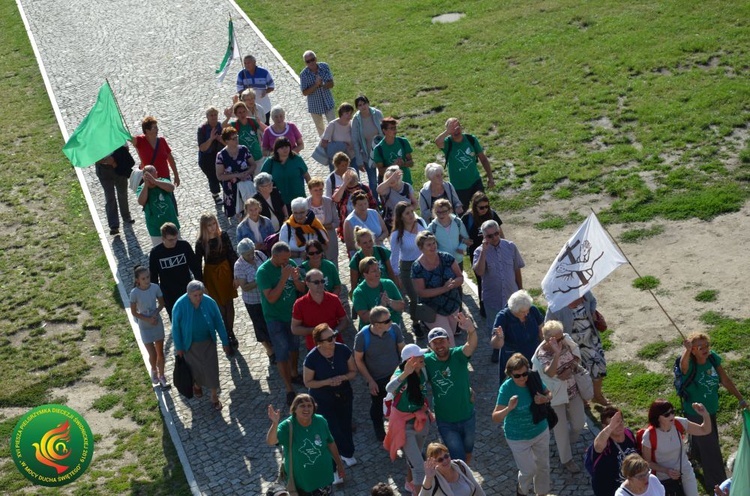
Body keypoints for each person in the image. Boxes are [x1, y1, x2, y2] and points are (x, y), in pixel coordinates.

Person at [679, 331, 747, 492]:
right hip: (696, 413)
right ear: (693, 350)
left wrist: (740, 398)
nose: (705, 349)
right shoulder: (689, 363)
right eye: (700, 346)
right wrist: (686, 351)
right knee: (711, 449)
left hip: (710, 409)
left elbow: (724, 379)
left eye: (707, 345)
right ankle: (718, 485)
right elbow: (683, 366)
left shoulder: (712, 358)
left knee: (704, 441)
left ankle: (693, 453)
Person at [492, 353, 552, 496]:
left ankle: (542, 493)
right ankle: (522, 490)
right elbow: (495, 417)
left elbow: (549, 393)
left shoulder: (533, 379)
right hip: (517, 436)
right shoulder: (506, 388)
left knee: (543, 466)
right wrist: (509, 408)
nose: (522, 378)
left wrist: (545, 399)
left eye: (524, 374)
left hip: (540, 430)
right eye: (517, 376)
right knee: (528, 470)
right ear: (510, 374)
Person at [256, 242, 306, 406]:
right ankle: (288, 388)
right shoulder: (263, 272)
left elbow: (301, 289)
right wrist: (284, 278)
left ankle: (294, 373)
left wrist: (297, 279)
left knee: (294, 347)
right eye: (284, 258)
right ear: (274, 256)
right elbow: (271, 297)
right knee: (281, 352)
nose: (287, 261)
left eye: (288, 258)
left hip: (292, 315)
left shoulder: (289, 264)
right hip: (274, 317)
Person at [424, 314, 478, 464]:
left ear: (449, 341)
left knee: (468, 451)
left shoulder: (458, 355)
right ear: (430, 346)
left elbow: (471, 346)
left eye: (442, 341)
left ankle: (464, 476)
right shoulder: (426, 361)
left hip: (467, 415)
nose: (440, 345)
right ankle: (462, 480)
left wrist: (471, 330)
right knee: (457, 456)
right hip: (445, 420)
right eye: (435, 343)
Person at [532, 320, 585, 473]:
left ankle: (567, 444)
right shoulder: (541, 355)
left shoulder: (565, 340)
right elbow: (550, 372)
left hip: (573, 390)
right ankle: (567, 459)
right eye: (558, 338)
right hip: (556, 397)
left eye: (561, 337)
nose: (562, 340)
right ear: (549, 340)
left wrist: (571, 367)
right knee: (560, 430)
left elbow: (576, 354)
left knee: (579, 424)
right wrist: (556, 353)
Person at [303, 324, 358, 467]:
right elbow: (308, 382)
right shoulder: (312, 358)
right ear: (319, 342)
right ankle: (336, 455)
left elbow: (353, 371)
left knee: (345, 423)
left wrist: (342, 378)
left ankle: (347, 452)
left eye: (333, 335)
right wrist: (327, 382)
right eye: (328, 339)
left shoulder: (343, 349)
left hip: (343, 393)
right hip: (322, 398)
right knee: (332, 427)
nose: (333, 340)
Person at [267, 394, 346, 493]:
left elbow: (330, 442)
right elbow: (271, 441)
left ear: (314, 408)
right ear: (294, 409)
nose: (306, 409)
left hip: (324, 477)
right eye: (302, 406)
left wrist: (339, 464)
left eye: (309, 405)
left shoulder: (320, 421)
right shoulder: (287, 426)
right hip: (301, 482)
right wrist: (275, 424)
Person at [172, 281, 231, 410]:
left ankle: (214, 396)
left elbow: (218, 322)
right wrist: (179, 347)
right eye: (195, 295)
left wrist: (225, 341)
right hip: (190, 344)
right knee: (195, 369)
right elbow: (175, 328)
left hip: (208, 342)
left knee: (212, 369)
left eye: (200, 295)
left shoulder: (210, 302)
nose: (198, 298)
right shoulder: (180, 305)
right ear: (188, 295)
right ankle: (197, 385)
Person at [384, 344, 433, 496]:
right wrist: (405, 374)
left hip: (421, 421)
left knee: (415, 456)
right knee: (419, 467)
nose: (423, 358)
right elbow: (389, 388)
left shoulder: (423, 369)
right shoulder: (401, 374)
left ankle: (408, 482)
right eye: (419, 357)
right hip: (404, 426)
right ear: (410, 361)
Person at [545, 291, 610, 405]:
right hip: (572, 345)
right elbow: (548, 324)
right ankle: (583, 399)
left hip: (590, 338)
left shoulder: (583, 291)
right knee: (577, 372)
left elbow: (592, 301)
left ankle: (597, 395)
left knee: (599, 366)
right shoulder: (556, 304)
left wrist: (593, 312)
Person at [353, 305, 405, 441]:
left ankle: (401, 429)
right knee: (377, 405)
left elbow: (402, 349)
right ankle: (379, 429)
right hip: (377, 378)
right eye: (387, 321)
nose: (391, 322)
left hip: (396, 376)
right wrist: (370, 380)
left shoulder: (394, 329)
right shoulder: (362, 337)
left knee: (400, 403)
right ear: (377, 324)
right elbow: (358, 360)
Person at [641, 399, 712, 496]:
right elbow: (647, 463)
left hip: (685, 472)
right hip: (664, 479)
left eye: (672, 412)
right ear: (658, 418)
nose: (671, 416)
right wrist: (666, 471)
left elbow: (705, 430)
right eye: (667, 415)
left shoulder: (679, 423)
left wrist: (705, 415)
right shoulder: (649, 435)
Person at [195, 213, 239, 351]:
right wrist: (201, 285)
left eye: (214, 224)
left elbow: (231, 254)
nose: (213, 227)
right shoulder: (201, 243)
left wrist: (236, 275)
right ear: (204, 227)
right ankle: (225, 333)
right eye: (209, 225)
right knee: (219, 306)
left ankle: (230, 332)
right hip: (211, 275)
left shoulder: (223, 236)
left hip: (225, 272)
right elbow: (197, 265)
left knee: (229, 304)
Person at [412, 231, 464, 346]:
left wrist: (453, 283)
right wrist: (444, 289)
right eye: (429, 245)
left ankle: (439, 358)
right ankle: (454, 362)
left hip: (452, 304)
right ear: (421, 248)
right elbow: (421, 292)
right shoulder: (417, 267)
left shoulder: (447, 258)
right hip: (433, 309)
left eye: (434, 243)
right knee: (448, 337)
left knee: (451, 333)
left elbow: (460, 277)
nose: (433, 246)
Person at [473, 218, 524, 329]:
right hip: (493, 300)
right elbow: (479, 271)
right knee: (496, 330)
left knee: (515, 328)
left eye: (496, 234)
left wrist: (520, 290)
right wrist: (484, 251)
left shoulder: (510, 246)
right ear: (484, 236)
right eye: (490, 236)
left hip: (512, 297)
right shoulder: (478, 252)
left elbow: (516, 269)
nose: (494, 238)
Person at [389, 201, 429, 337]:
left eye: (412, 211)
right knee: (414, 296)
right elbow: (393, 257)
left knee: (426, 294)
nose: (411, 215)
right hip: (408, 268)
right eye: (407, 213)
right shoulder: (397, 235)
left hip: (425, 264)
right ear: (400, 217)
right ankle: (416, 322)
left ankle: (426, 319)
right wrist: (397, 275)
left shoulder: (421, 223)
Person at [434, 117, 494, 207]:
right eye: (452, 129)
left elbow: (483, 159)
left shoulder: (471, 139)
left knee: (482, 208)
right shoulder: (448, 143)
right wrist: (447, 132)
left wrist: (490, 177)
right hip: (458, 187)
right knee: (462, 213)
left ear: (461, 127)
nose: (456, 131)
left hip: (475, 181)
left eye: (457, 127)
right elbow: (437, 142)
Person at [461, 192, 503, 318]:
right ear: (475, 207)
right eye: (481, 207)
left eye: (486, 206)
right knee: (482, 280)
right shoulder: (467, 218)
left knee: (497, 276)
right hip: (478, 253)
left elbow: (500, 232)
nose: (484, 210)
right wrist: (465, 241)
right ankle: (484, 306)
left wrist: (504, 245)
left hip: (494, 251)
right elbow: (460, 234)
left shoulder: (492, 214)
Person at [233, 238, 274, 363]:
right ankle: (270, 352)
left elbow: (270, 268)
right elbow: (244, 286)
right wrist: (260, 280)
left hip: (267, 297)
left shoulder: (260, 255)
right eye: (248, 254)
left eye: (252, 252)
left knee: (271, 322)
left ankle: (275, 345)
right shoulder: (239, 266)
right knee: (259, 325)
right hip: (253, 301)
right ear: (242, 254)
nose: (251, 256)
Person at [149, 222, 202, 319]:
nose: (174, 242)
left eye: (175, 239)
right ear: (163, 238)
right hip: (169, 294)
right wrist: (159, 296)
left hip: (186, 290)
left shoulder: (184, 246)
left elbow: (195, 267)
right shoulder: (156, 253)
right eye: (170, 240)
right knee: (176, 320)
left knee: (192, 318)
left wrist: (200, 285)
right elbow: (154, 277)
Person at [129, 266, 169, 389]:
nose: (146, 280)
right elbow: (134, 312)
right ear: (137, 280)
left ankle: (162, 376)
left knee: (160, 353)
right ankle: (153, 369)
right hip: (145, 326)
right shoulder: (134, 293)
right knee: (153, 354)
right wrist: (147, 319)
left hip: (156, 323)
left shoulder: (155, 287)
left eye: (147, 277)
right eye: (143, 278)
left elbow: (162, 303)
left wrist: (155, 314)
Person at [291, 268, 348, 351]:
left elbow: (344, 320)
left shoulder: (334, 299)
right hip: (314, 348)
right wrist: (316, 331)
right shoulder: (300, 304)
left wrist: (334, 332)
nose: (320, 284)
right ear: (307, 283)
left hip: (336, 345)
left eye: (322, 281)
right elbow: (295, 329)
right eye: (316, 282)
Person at [491, 290, 543, 377]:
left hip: (533, 356)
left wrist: (544, 348)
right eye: (523, 312)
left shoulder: (533, 310)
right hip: (514, 362)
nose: (526, 314)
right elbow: (496, 345)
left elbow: (542, 330)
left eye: (527, 310)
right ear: (513, 310)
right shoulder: (503, 317)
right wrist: (499, 337)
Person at [588, 407, 638, 496]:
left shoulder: (628, 434)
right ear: (604, 426)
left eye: (620, 421)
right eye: (614, 423)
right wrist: (611, 427)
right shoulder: (604, 443)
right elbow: (598, 445)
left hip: (630, 490)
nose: (619, 425)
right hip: (609, 492)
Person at [352, 256, 405, 330]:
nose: (378, 272)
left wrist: (389, 301)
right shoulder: (359, 293)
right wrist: (381, 306)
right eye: (374, 271)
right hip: (373, 332)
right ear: (365, 274)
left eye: (378, 269)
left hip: (393, 327)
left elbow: (401, 306)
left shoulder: (388, 284)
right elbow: (364, 318)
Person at [215, 125, 257, 219]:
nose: (236, 139)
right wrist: (237, 175)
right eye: (233, 138)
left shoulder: (243, 149)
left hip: (246, 185)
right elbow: (220, 176)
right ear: (226, 141)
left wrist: (247, 173)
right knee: (236, 215)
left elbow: (253, 165)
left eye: (236, 137)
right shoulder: (221, 155)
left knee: (251, 210)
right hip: (231, 189)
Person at [94, 145, 135, 235]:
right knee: (110, 197)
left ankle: (126, 217)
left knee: (122, 193)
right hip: (103, 169)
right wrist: (106, 161)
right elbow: (91, 156)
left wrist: (114, 159)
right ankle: (114, 225)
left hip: (118, 165)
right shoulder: (92, 137)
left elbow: (125, 148)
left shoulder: (114, 131)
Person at [261, 137, 311, 209]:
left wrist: (312, 191)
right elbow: (262, 180)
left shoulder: (297, 159)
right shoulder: (270, 162)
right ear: (277, 150)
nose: (285, 149)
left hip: (298, 199)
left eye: (287, 146)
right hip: (279, 202)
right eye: (282, 147)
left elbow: (307, 176)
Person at [420, 442, 485, 496]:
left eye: (446, 456)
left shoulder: (460, 464)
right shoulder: (433, 477)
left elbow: (477, 487)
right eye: (440, 460)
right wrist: (428, 477)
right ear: (434, 463)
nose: (445, 461)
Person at [137, 165, 179, 247]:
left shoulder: (163, 181)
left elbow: (171, 188)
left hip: (172, 224)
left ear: (157, 174)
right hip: (155, 229)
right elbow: (141, 202)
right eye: (149, 177)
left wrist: (155, 181)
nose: (151, 180)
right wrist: (146, 185)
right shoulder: (142, 188)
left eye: (153, 176)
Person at [132, 116, 180, 185]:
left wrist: (176, 175)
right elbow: (130, 138)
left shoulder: (162, 141)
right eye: (154, 128)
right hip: (150, 181)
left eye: (156, 127)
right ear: (147, 130)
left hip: (165, 179)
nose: (157, 129)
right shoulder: (140, 141)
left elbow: (170, 159)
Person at [332, 169, 378, 239]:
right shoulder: (341, 190)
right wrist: (344, 184)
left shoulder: (364, 188)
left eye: (355, 187)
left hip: (365, 224)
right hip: (349, 225)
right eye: (349, 188)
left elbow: (373, 205)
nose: (353, 190)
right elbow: (336, 199)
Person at [279, 198, 329, 263]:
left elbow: (325, 245)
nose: (298, 216)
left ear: (307, 211)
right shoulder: (286, 228)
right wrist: (300, 254)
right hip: (294, 268)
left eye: (302, 212)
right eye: (295, 213)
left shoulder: (315, 225)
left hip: (314, 266)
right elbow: (281, 251)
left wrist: (313, 253)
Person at [427, 199, 470, 274]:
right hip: (442, 262)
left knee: (459, 282)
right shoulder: (432, 227)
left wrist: (462, 247)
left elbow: (466, 237)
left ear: (450, 210)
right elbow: (428, 244)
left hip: (458, 259)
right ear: (434, 211)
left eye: (444, 211)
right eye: (438, 212)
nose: (441, 215)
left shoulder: (457, 222)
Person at [351, 95, 383, 193]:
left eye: (364, 103)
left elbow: (384, 131)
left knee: (384, 179)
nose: (363, 106)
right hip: (367, 155)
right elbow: (355, 141)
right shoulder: (356, 120)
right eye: (360, 105)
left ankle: (385, 202)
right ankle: (375, 203)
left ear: (368, 103)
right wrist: (359, 161)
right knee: (373, 182)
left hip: (381, 153)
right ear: (357, 108)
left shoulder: (377, 114)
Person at [299, 50, 335, 136]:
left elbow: (331, 84)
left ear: (316, 59)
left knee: (333, 126)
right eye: (308, 61)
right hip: (315, 106)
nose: (311, 62)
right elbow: (304, 92)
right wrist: (316, 85)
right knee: (321, 130)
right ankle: (324, 146)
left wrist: (322, 84)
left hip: (328, 102)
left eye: (312, 59)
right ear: (305, 63)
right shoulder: (303, 75)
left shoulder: (325, 67)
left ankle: (336, 144)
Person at [343, 190, 388, 257]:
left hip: (379, 251)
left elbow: (385, 231)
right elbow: (350, 246)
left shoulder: (374, 213)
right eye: (360, 205)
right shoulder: (349, 221)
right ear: (354, 205)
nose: (363, 207)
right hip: (363, 256)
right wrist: (367, 246)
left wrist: (379, 239)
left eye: (365, 203)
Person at [306, 177, 340, 262]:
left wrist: (325, 227)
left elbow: (337, 222)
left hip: (329, 238)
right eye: (315, 190)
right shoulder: (305, 204)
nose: (319, 192)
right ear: (310, 191)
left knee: (331, 261)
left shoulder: (329, 202)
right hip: (312, 240)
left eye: (320, 189)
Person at [372, 117, 414, 183]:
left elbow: (411, 163)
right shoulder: (378, 149)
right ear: (384, 130)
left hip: (406, 182)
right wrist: (393, 167)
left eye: (395, 128)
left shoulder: (403, 142)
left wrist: (404, 164)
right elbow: (380, 171)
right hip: (391, 185)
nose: (395, 131)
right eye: (392, 128)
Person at [196, 106, 224, 205]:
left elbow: (227, 142)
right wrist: (211, 139)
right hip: (206, 158)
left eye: (215, 115)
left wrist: (220, 140)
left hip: (219, 155)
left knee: (223, 174)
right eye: (211, 115)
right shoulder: (202, 129)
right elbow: (202, 147)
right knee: (212, 177)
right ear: (207, 117)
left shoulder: (220, 126)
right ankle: (215, 195)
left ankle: (226, 193)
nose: (213, 117)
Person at [236, 54, 275, 124]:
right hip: (248, 108)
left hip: (263, 105)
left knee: (265, 124)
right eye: (245, 63)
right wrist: (246, 95)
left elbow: (271, 86)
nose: (247, 65)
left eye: (248, 63)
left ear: (254, 62)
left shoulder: (264, 72)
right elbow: (239, 89)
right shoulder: (241, 74)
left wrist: (266, 91)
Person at [321, 102, 357, 170]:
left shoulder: (352, 124)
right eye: (347, 113)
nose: (349, 116)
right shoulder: (332, 125)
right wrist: (340, 145)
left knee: (354, 179)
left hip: (351, 157)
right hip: (337, 160)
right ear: (341, 113)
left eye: (350, 113)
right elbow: (323, 144)